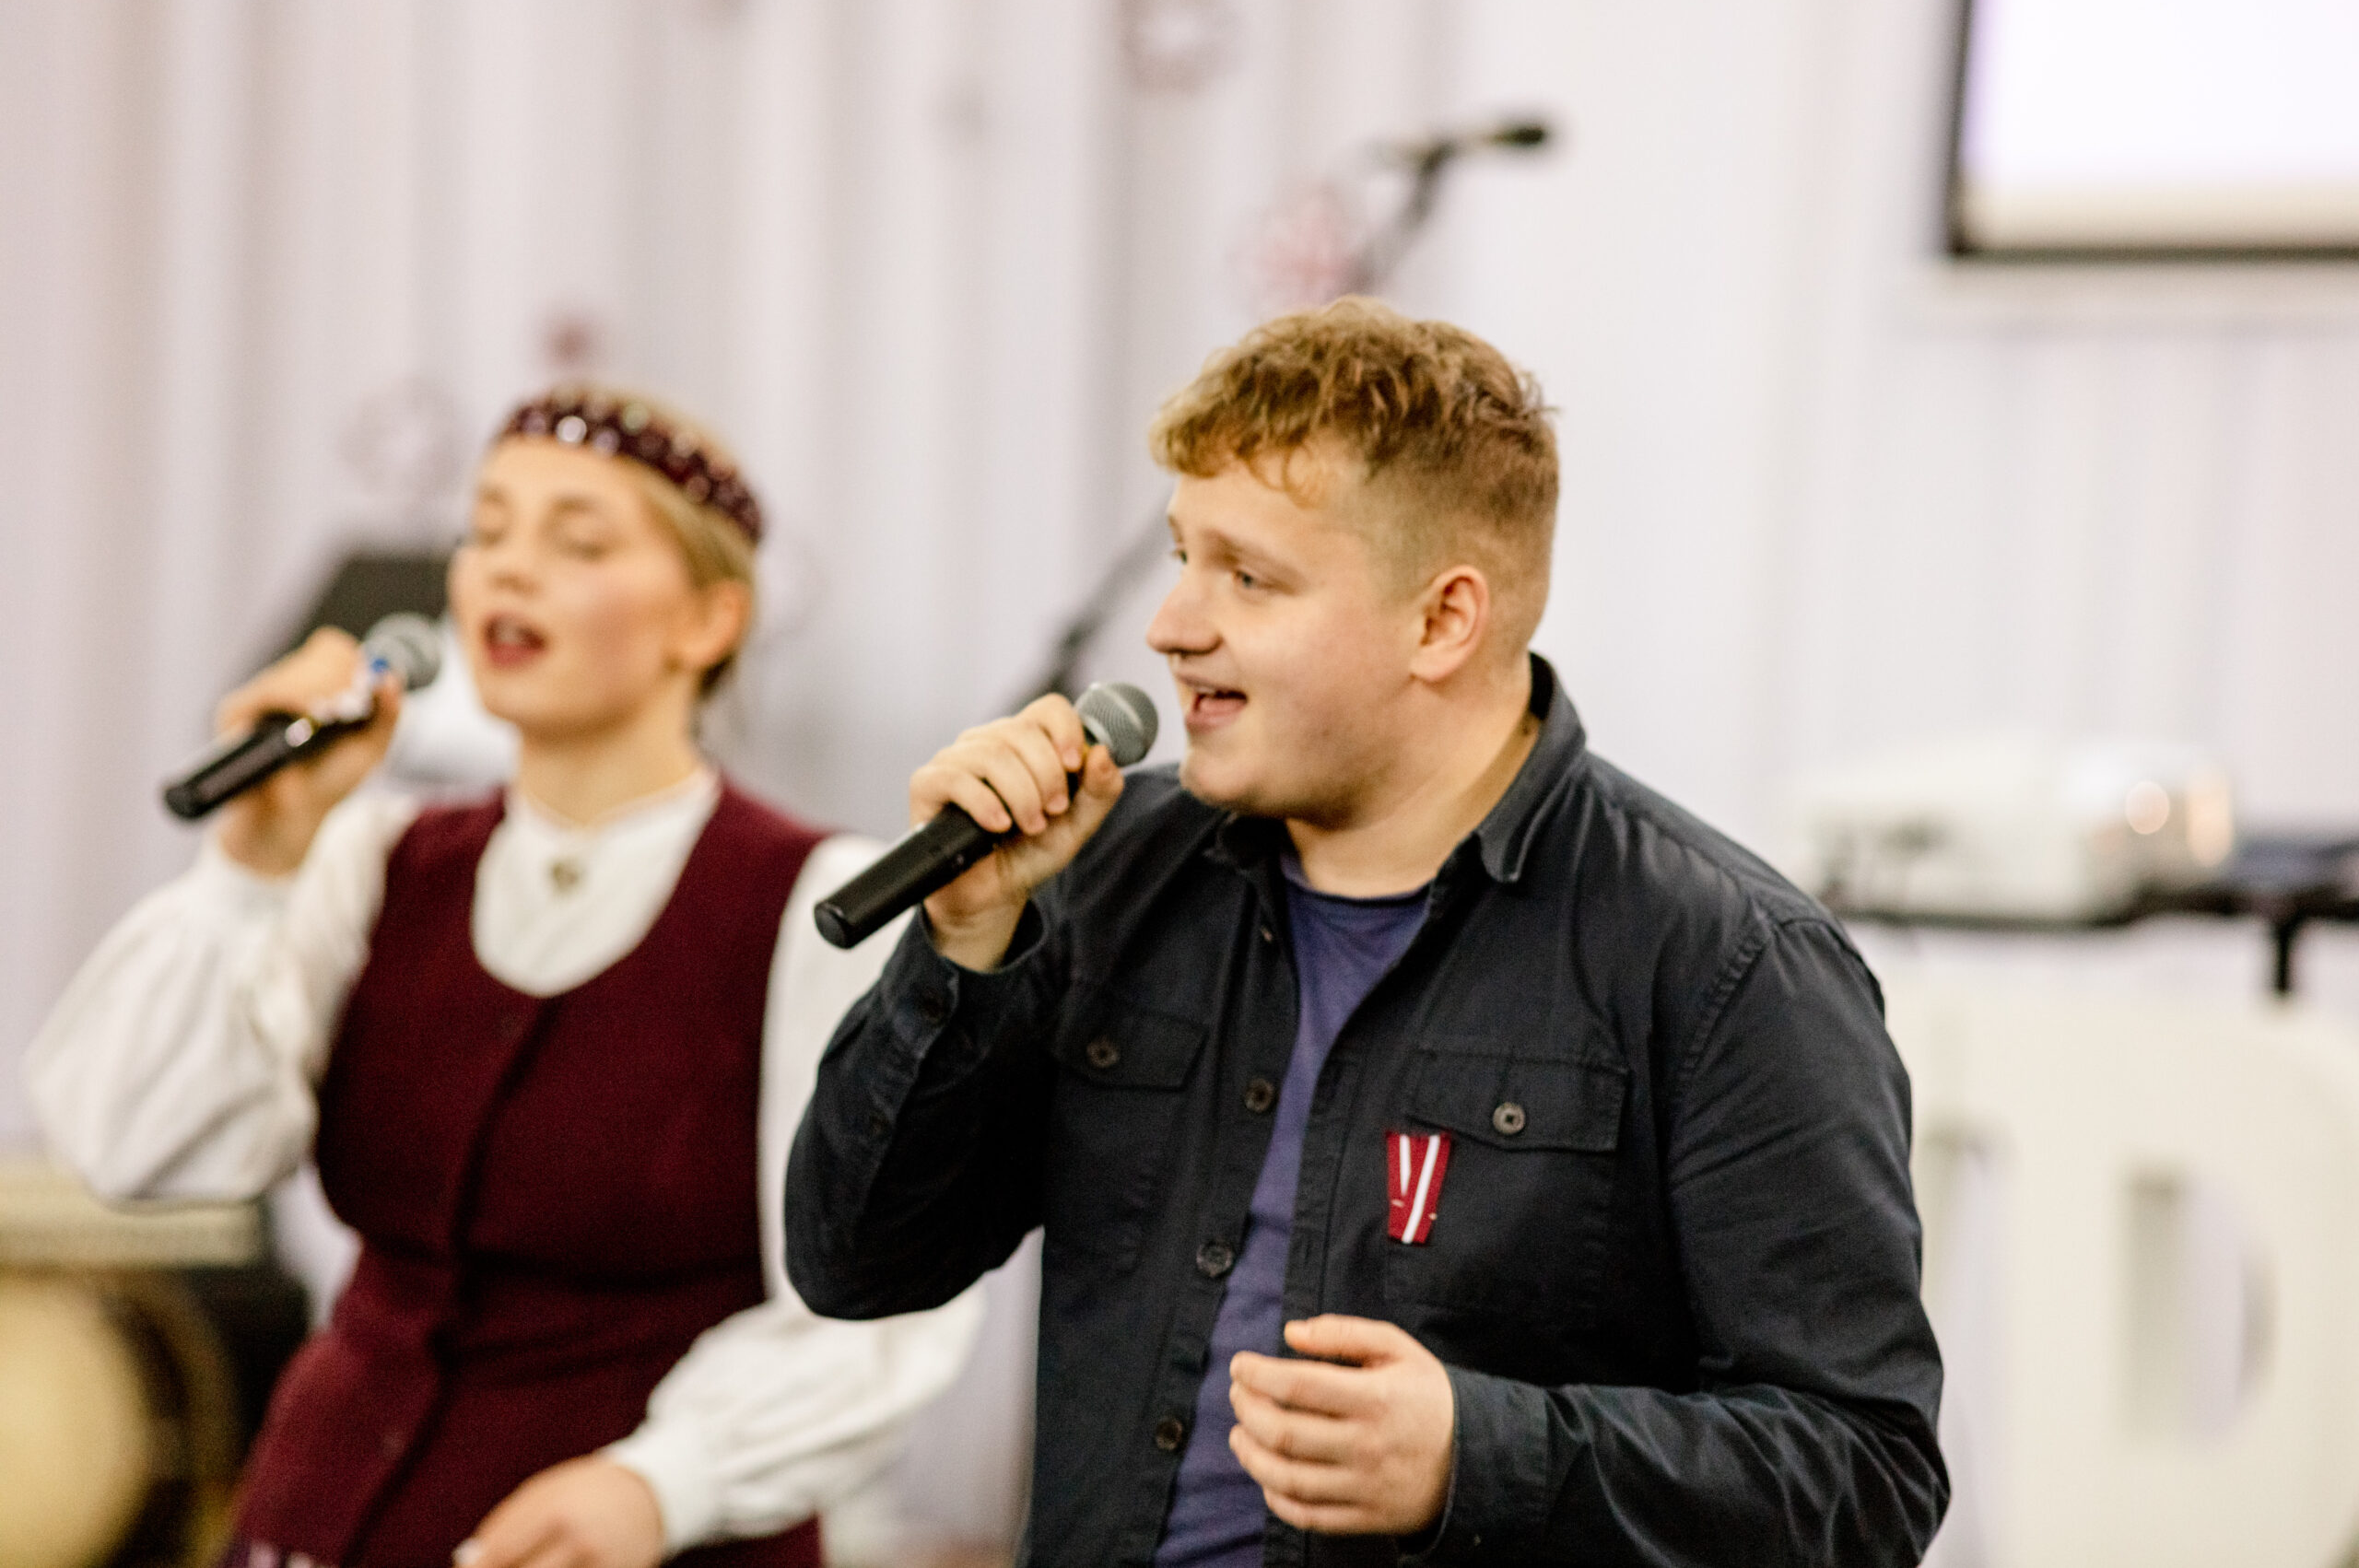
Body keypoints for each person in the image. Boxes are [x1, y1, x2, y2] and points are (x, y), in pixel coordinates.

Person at [784, 300, 1948, 1566]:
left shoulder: (1727, 959)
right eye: (1183, 556)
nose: (1171, 625)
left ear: (1442, 621)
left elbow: (1865, 1476)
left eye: (1248, 577)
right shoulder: (1103, 868)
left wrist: (1478, 1455)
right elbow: (856, 1263)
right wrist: (965, 940)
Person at [29, 387, 982, 1568]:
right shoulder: (376, 860)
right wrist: (249, 866)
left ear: (707, 620)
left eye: (577, 542)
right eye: (485, 532)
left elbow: (881, 1302)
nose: (508, 570)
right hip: (319, 1518)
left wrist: (662, 1483)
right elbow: (129, 1146)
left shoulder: (816, 904)